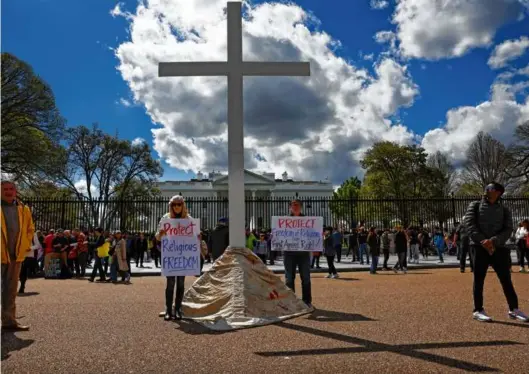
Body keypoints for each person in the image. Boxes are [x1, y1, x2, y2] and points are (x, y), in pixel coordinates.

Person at [463, 182, 528, 322]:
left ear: (498, 192)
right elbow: (469, 225)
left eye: (491, 188)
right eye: (487, 188)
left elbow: (508, 229)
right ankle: (478, 310)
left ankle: (514, 309)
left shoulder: (504, 209)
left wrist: (493, 241)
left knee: (506, 279)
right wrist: (483, 241)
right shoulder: (474, 205)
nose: (487, 190)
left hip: (498, 248)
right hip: (479, 247)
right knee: (479, 279)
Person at [1, 180, 35, 331]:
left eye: (11, 189)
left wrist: (25, 245)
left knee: (10, 290)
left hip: (15, 256)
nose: (8, 191)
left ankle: (9, 322)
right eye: (5, 189)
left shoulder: (24, 209)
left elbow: (30, 229)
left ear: (15, 191)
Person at [157, 195, 192, 321]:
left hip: (182, 256)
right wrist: (160, 234)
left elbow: (194, 236)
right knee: (170, 283)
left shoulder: (188, 219)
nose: (176, 207)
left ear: (183, 205)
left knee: (181, 284)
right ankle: (168, 309)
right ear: (171, 206)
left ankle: (177, 309)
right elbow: (157, 237)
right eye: (174, 205)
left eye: (179, 204)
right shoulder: (166, 218)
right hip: (171, 255)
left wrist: (197, 237)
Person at [283, 199, 313, 308]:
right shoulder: (284, 221)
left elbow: (312, 235)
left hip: (303, 253)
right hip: (289, 253)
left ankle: (307, 301)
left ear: (301, 207)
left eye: (297, 205)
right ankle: (291, 302)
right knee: (289, 278)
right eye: (293, 205)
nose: (295, 207)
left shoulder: (307, 220)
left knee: (306, 278)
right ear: (290, 207)